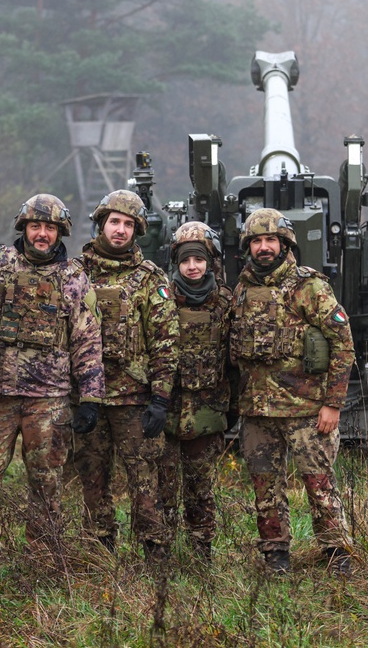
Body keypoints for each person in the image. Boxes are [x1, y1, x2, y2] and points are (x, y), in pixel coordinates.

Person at [0, 193, 104, 584]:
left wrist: (90, 396)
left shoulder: (73, 278)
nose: (42, 234)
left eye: (50, 228)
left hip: (49, 399)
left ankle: (42, 563)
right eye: (35, 226)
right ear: (23, 227)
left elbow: (88, 340)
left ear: (60, 232)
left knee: (46, 483)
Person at [230, 207, 355, 575]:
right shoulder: (242, 289)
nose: (264, 247)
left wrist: (332, 404)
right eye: (257, 241)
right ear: (248, 246)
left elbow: (343, 345)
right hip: (258, 413)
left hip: (305, 410)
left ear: (285, 244)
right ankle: (275, 553)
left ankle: (337, 553)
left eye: (271, 240)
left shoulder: (310, 287)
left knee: (319, 486)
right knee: (264, 489)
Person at [73, 190, 178, 562]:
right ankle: (99, 553)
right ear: (101, 223)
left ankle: (156, 553)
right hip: (88, 401)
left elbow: (166, 341)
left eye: (128, 224)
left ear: (138, 230)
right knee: (92, 479)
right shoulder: (74, 274)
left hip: (135, 401)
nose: (120, 230)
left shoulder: (150, 278)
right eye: (114, 222)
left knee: (145, 481)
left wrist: (161, 399)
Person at [161, 220, 233, 563]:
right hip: (164, 408)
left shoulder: (226, 303)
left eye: (199, 260)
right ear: (176, 262)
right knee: (162, 487)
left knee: (200, 488)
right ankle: (158, 552)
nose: (192, 267)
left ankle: (201, 552)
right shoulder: (160, 297)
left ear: (210, 262)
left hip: (207, 411)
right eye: (186, 260)